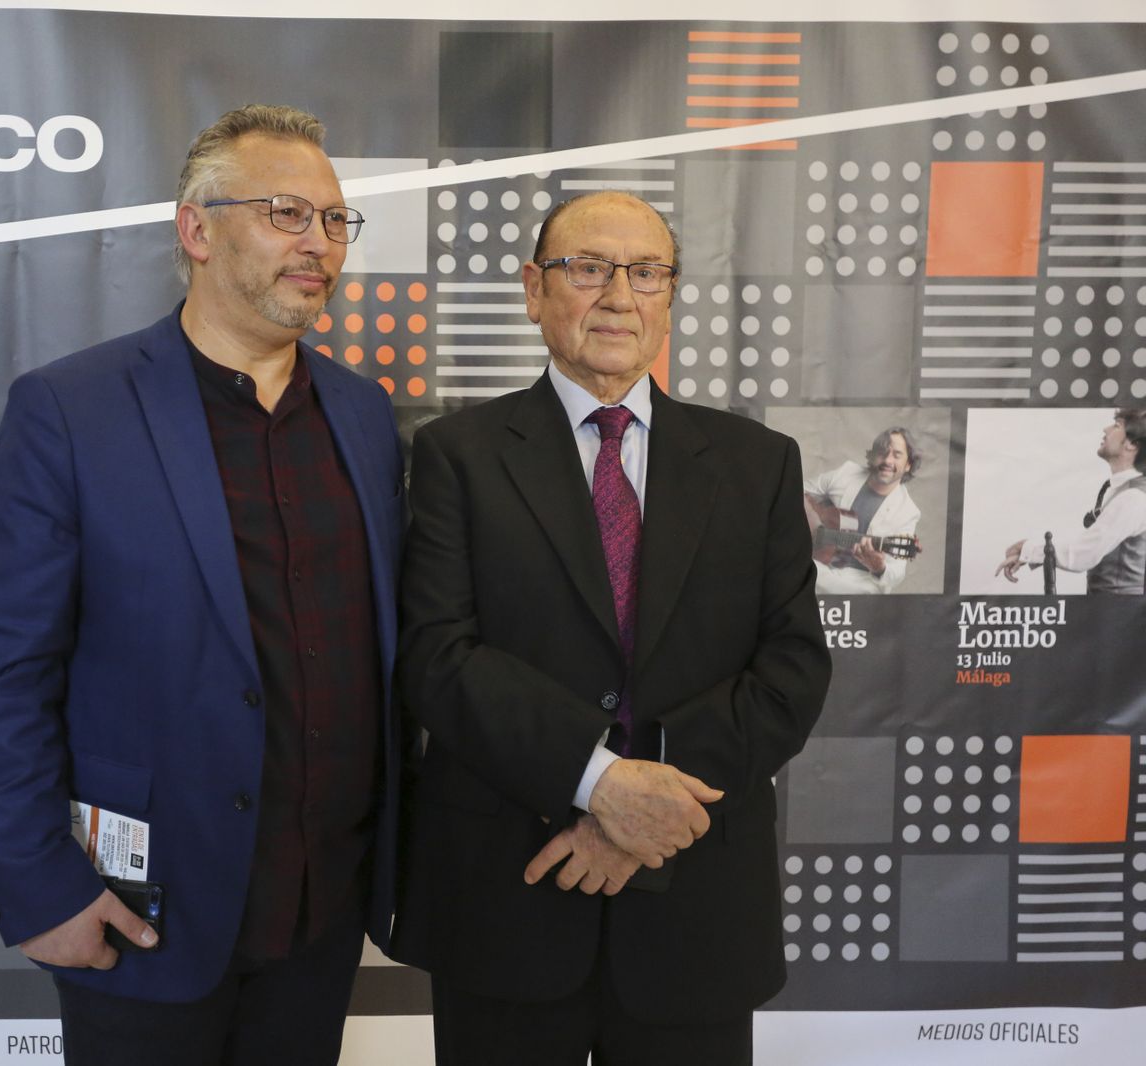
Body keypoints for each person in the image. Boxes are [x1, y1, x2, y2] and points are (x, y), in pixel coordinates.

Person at [0, 104, 405, 1066]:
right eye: (286, 213)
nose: (318, 243)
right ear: (196, 231)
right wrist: (43, 889)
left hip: (323, 918)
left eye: (334, 220)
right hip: (137, 921)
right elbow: (3, 677)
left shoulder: (365, 417)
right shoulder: (70, 410)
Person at [392, 191, 831, 1065]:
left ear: (670, 295)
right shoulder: (455, 456)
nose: (618, 296)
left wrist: (642, 799)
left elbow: (791, 669)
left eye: (646, 273)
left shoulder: (758, 463)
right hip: (508, 907)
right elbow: (439, 661)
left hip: (694, 916)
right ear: (533, 289)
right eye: (587, 269)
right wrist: (595, 782)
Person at [996, 408, 1146, 594]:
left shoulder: (1133, 498)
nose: (1105, 429)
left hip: (1119, 613)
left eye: (1116, 426)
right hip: (1111, 610)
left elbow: (1084, 554)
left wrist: (1029, 550)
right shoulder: (1124, 490)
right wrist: (1029, 553)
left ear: (1131, 444)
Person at [803, 427, 924, 594]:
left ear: (908, 464)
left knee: (801, 572)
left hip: (860, 581)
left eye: (896, 455)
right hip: (820, 560)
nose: (887, 461)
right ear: (874, 455)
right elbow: (798, 490)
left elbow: (896, 573)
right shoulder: (847, 473)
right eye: (883, 452)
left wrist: (879, 567)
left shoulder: (908, 511)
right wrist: (811, 520)